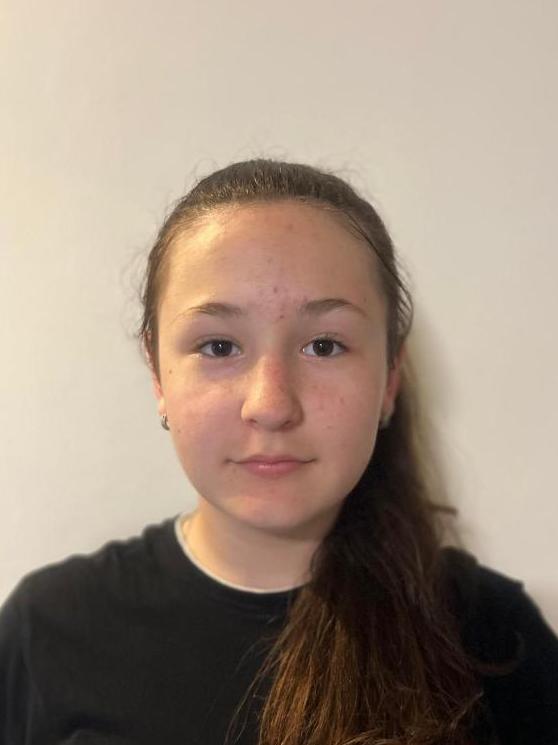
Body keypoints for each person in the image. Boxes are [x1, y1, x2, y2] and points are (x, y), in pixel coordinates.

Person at [1, 159, 557, 745]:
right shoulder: (48, 632)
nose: (270, 405)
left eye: (325, 345)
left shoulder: (493, 637)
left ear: (389, 378)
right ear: (158, 375)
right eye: (219, 346)